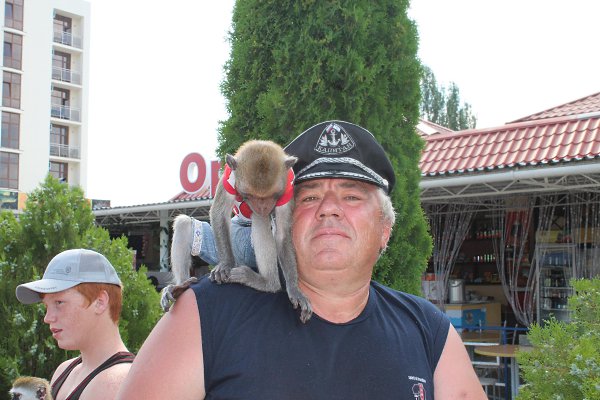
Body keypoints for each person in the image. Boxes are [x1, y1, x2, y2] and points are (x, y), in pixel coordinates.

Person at [117, 121, 486, 399]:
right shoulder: (201, 316)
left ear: (385, 230)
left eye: (352, 197)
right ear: (284, 223)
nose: (329, 209)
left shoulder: (430, 332)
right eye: (309, 198)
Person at [16, 248, 134, 400]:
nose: (47, 318)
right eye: (46, 306)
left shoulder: (115, 381)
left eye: (59, 302)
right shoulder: (64, 370)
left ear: (100, 302)